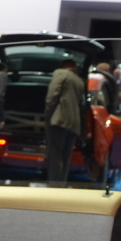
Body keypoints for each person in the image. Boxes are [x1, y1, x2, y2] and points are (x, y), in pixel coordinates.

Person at [44, 56, 87, 185]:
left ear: (63, 66)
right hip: (74, 124)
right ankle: (61, 184)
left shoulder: (61, 74)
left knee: (55, 155)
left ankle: (54, 185)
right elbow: (82, 104)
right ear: (74, 67)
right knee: (66, 156)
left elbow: (52, 95)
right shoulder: (79, 81)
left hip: (59, 120)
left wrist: (47, 114)